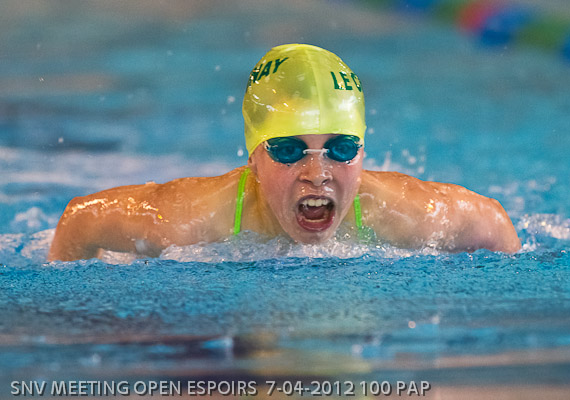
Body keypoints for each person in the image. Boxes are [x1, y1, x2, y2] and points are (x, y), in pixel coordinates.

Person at [48, 44, 521, 261]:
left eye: (340, 148)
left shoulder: (403, 214)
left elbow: (494, 224)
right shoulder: (190, 220)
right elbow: (80, 219)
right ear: (253, 157)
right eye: (290, 149)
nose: (318, 172)